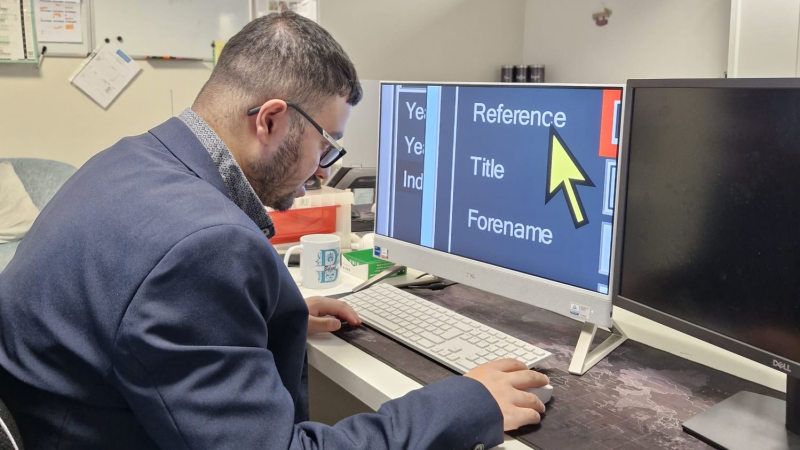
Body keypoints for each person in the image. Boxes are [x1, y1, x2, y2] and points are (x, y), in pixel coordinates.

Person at [0, 12, 548, 450]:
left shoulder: (129, 160)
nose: (324, 170)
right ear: (271, 119)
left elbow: (139, 308)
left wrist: (257, 312)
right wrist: (466, 402)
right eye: (327, 146)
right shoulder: (201, 247)